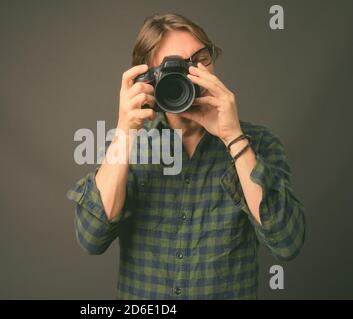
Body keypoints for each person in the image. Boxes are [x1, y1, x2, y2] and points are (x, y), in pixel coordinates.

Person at [67, 13, 305, 299]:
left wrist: (233, 138)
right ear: (148, 80)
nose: (191, 76)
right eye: (174, 69)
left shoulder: (259, 143)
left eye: (200, 60)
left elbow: (287, 242)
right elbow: (92, 238)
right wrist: (124, 131)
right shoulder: (129, 148)